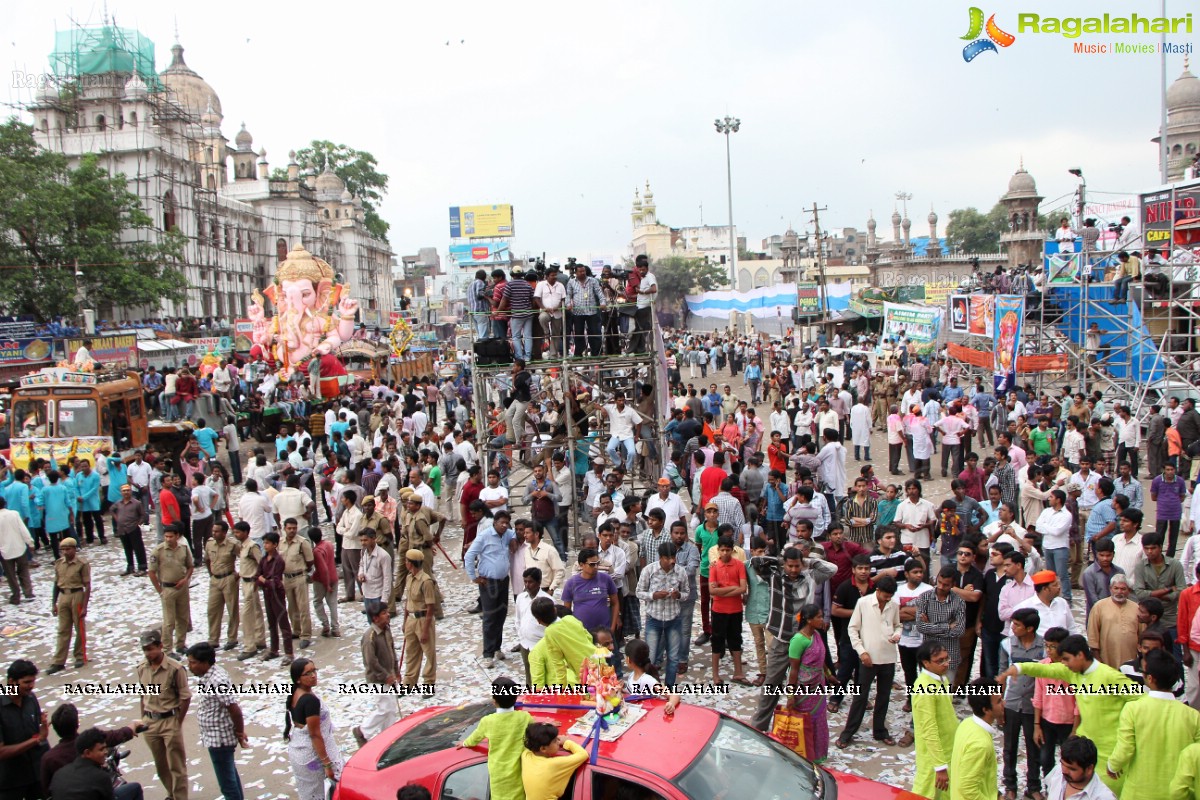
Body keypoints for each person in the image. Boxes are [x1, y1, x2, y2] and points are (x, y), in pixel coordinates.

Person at [1001, 635, 1141, 795]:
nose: (1064, 664)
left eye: (1066, 659)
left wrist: (1126, 727)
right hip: (1082, 748)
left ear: (1080, 655)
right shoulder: (1072, 672)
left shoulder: (1110, 676)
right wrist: (1019, 668)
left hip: (1109, 753)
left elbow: (1141, 699)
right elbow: (1046, 669)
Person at [1106, 650, 1200, 800]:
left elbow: (1125, 748)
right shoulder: (1193, 716)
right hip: (1178, 794)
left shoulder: (1133, 709)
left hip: (1139, 792)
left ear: (1150, 678)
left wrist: (1112, 766)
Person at [837, 575, 902, 748]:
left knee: (884, 696)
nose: (887, 599)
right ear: (878, 590)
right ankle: (848, 732)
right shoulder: (863, 603)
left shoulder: (893, 605)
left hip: (888, 657)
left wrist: (897, 635)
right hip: (868, 657)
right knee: (860, 696)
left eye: (890, 596)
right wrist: (861, 652)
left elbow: (898, 625)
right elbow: (853, 629)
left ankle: (879, 730)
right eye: (885, 595)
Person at [184, 643, 247, 800]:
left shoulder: (216, 681)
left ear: (205, 662)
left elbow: (235, 710)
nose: (189, 666)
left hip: (220, 738)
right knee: (230, 775)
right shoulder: (210, 676)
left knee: (227, 783)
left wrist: (240, 732)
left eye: (193, 662)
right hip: (215, 736)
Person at [135, 629, 190, 800]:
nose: (148, 653)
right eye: (145, 650)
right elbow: (143, 695)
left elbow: (185, 697)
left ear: (160, 646)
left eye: (150, 649)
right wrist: (142, 717)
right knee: (161, 766)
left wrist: (177, 722)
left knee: (176, 766)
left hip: (169, 720)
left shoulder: (175, 669)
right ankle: (171, 794)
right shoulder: (142, 668)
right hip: (150, 722)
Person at [460, 677, 533, 800]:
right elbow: (537, 731)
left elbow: (474, 738)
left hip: (498, 774)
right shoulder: (525, 717)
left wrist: (464, 743)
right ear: (516, 698)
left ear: (494, 701)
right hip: (519, 771)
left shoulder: (487, 721)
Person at [464, 504, 518, 667]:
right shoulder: (484, 536)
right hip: (488, 582)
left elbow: (515, 536)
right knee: (489, 617)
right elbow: (469, 555)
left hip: (503, 581)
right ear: (495, 522)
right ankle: (487, 654)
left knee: (501, 614)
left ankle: (497, 648)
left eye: (506, 523)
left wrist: (513, 539)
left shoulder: (508, 534)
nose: (503, 525)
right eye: (501, 522)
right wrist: (474, 577)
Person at [999, 608, 1045, 800]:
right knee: (1009, 746)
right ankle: (1010, 785)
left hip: (1033, 706)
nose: (1012, 628)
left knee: (1033, 747)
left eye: (1017, 625)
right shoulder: (1007, 644)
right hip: (1011, 702)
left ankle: (1033, 786)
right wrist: (999, 702)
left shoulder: (1043, 647)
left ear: (1030, 628)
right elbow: (1001, 673)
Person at [284, 658, 345, 800]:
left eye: (314, 671)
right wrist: (327, 764)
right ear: (298, 679)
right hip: (311, 755)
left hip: (299, 751)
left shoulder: (296, 692)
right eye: (308, 673)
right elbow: (315, 734)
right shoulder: (310, 701)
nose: (313, 675)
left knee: (309, 794)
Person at [910, 642, 958, 800]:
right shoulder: (924, 688)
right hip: (934, 757)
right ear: (926, 663)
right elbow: (928, 729)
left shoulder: (942, 679)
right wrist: (940, 766)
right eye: (940, 661)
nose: (945, 664)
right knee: (927, 792)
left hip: (949, 749)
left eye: (946, 659)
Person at [784, 603, 831, 763]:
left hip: (818, 686)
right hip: (804, 688)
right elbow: (794, 670)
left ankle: (817, 755)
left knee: (819, 721)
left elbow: (821, 659)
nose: (821, 619)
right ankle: (803, 755)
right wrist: (790, 695)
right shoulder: (798, 640)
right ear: (809, 620)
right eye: (818, 617)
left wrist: (828, 674)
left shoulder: (816, 635)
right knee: (805, 722)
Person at [0, 660, 49, 800]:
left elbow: (39, 733)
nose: (31, 686)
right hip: (10, 784)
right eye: (26, 682)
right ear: (11, 681)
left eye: (33, 681)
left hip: (36, 777)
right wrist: (37, 739)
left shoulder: (31, 698)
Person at [353, 600, 400, 747]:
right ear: (375, 618)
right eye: (384, 613)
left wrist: (396, 671)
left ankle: (388, 738)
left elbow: (392, 651)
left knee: (391, 709)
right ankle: (362, 731)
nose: (388, 615)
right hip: (377, 680)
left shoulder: (386, 630)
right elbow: (371, 662)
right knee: (384, 708)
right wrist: (386, 676)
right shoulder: (370, 637)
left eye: (387, 612)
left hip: (389, 676)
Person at [950, 679, 1004, 800]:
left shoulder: (967, 723)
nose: (1003, 703)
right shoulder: (981, 745)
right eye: (999, 701)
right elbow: (967, 789)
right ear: (986, 709)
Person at [47, 538, 90, 675]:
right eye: (63, 550)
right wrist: (54, 603)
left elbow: (87, 586)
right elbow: (56, 584)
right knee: (63, 630)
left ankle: (80, 656)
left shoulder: (82, 564)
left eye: (68, 549)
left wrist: (84, 606)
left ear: (74, 549)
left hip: (77, 595)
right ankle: (59, 661)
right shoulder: (59, 564)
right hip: (63, 596)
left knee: (79, 628)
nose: (65, 552)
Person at [148, 525, 194, 657]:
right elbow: (151, 572)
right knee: (169, 621)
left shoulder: (183, 549)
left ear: (177, 536)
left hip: (182, 588)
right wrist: (160, 590)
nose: (168, 539)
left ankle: (180, 644)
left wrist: (185, 579)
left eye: (171, 536)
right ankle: (167, 649)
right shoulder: (158, 551)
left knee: (183, 618)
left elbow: (190, 566)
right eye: (166, 536)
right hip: (167, 588)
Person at [401, 549, 438, 689]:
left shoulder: (426, 581)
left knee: (429, 652)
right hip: (411, 618)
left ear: (412, 563)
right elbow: (408, 600)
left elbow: (430, 607)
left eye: (407, 561)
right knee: (411, 652)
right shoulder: (409, 578)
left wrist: (425, 630)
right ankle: (409, 683)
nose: (405, 563)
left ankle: (429, 682)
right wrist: (405, 621)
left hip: (423, 619)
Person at [520, 722, 588, 800]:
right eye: (555, 741)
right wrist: (567, 742)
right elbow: (583, 754)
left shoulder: (526, 755)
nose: (559, 741)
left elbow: (533, 737)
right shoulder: (553, 765)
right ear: (543, 749)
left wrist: (545, 730)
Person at [1086, 574, 1139, 669]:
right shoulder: (1099, 606)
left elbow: (1142, 635)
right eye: (1116, 588)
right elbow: (1092, 635)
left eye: (1123, 589)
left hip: (1130, 661)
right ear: (1110, 589)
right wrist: (1098, 661)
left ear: (1129, 591)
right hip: (1105, 660)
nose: (1119, 592)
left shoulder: (1136, 608)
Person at [257, 532, 295, 665]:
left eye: (267, 543)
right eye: (264, 543)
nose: (265, 545)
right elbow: (258, 576)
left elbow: (276, 581)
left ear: (275, 545)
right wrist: (263, 580)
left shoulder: (278, 561)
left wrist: (264, 580)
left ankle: (289, 652)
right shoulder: (263, 559)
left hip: (277, 595)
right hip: (267, 594)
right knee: (272, 623)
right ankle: (274, 649)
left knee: (283, 622)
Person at [232, 522, 267, 662]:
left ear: (246, 532)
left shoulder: (252, 546)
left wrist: (258, 579)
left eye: (238, 532)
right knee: (256, 611)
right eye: (235, 532)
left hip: (251, 582)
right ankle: (260, 639)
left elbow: (261, 563)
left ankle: (249, 646)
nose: (236, 535)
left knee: (246, 615)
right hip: (244, 581)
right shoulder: (242, 545)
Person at [204, 521, 240, 652]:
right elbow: (207, 560)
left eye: (217, 531)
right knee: (212, 610)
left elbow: (246, 558)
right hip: (215, 579)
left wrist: (239, 574)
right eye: (213, 531)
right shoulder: (209, 544)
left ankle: (232, 638)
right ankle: (213, 638)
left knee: (232, 609)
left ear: (224, 533)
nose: (214, 533)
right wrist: (211, 574)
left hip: (228, 578)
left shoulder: (232, 545)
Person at [1043, 736, 1114, 800]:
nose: (1064, 771)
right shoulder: (1058, 770)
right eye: (1062, 764)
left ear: (1089, 769)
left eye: (1071, 769)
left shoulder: (1103, 797)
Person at [110, 483, 148, 577]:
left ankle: (142, 567)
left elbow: (143, 515)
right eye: (124, 491)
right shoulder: (118, 503)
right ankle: (130, 567)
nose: (126, 492)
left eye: (127, 490)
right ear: (121, 492)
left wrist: (138, 524)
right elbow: (111, 510)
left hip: (133, 529)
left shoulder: (136, 503)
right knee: (127, 549)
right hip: (122, 530)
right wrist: (117, 519)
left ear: (130, 491)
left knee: (138, 548)